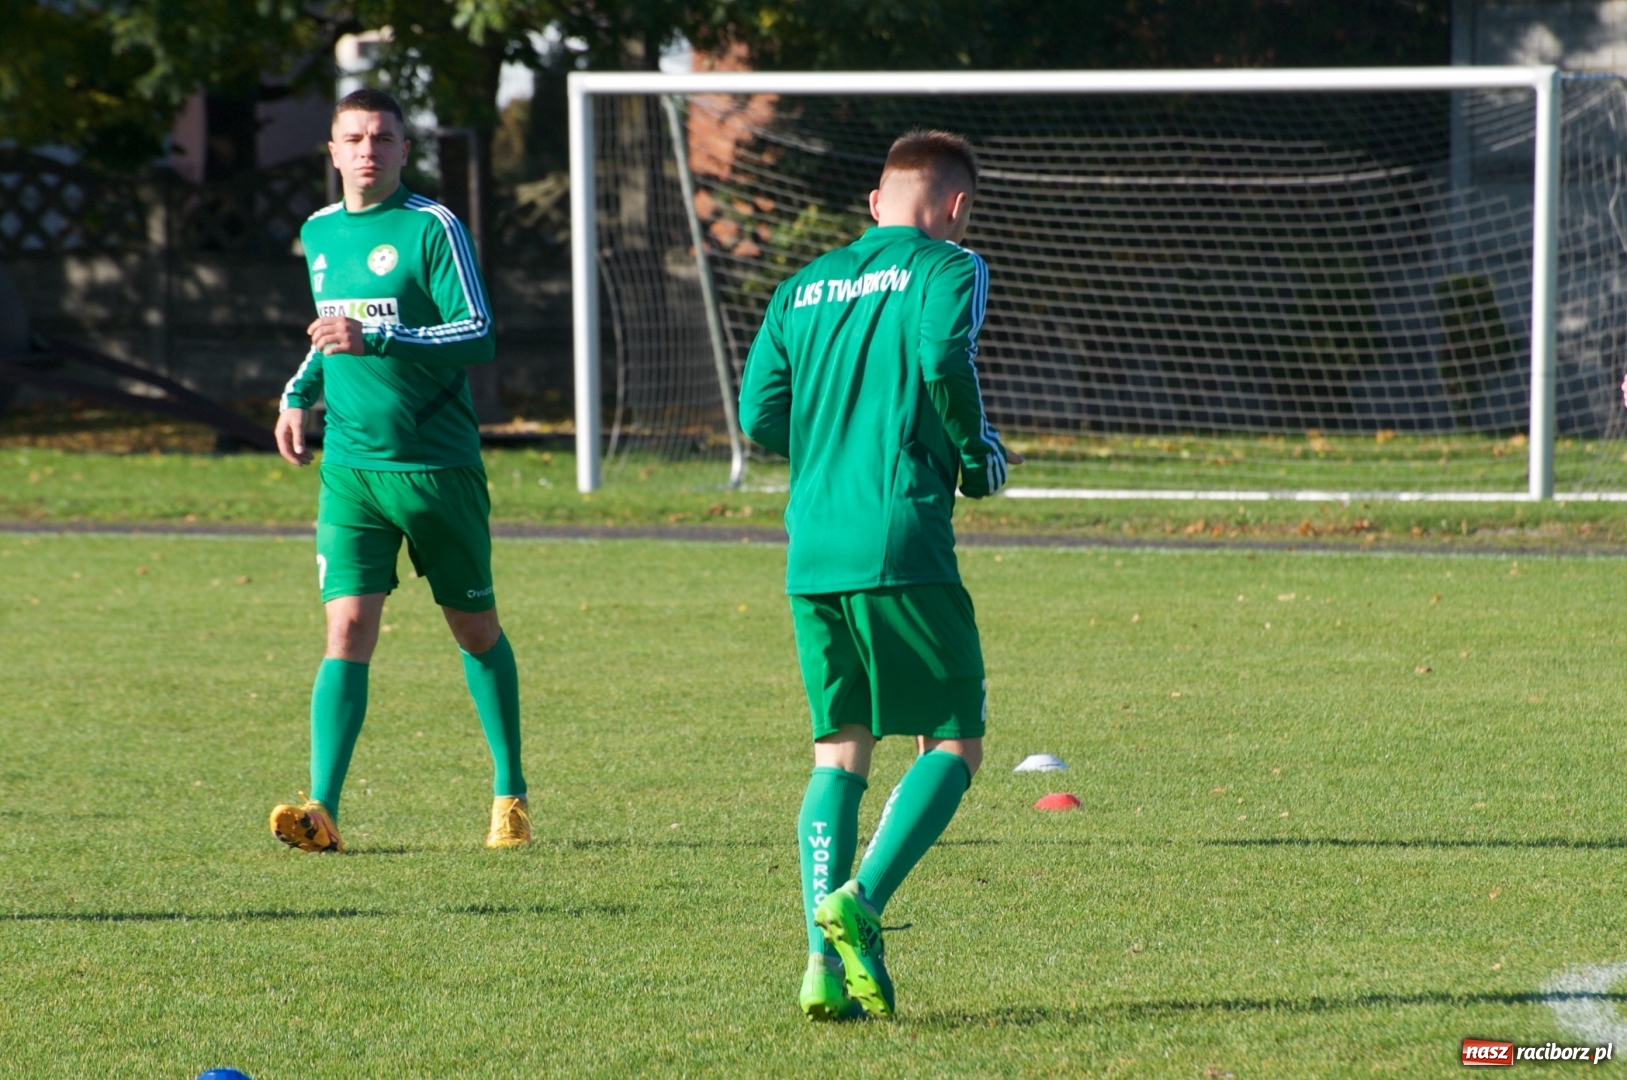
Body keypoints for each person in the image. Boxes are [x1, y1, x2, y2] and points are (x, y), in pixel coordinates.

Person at [738, 129, 1022, 1020]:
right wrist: (974, 454)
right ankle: (860, 901)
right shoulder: (950, 266)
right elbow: (943, 358)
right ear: (955, 207)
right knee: (955, 740)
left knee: (839, 750)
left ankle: (822, 967)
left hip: (811, 546)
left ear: (873, 203)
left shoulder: (799, 286)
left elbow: (758, 413)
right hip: (898, 536)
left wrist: (832, 452)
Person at [267, 88, 529, 853]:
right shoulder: (317, 231)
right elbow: (327, 334)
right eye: (353, 137)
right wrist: (297, 393)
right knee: (345, 628)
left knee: (473, 630)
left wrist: (380, 338)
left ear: (405, 149)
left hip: (436, 467)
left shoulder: (432, 227)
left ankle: (509, 791)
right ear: (333, 151)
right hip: (350, 468)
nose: (368, 150)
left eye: (383, 137)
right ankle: (322, 809)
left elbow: (476, 332)